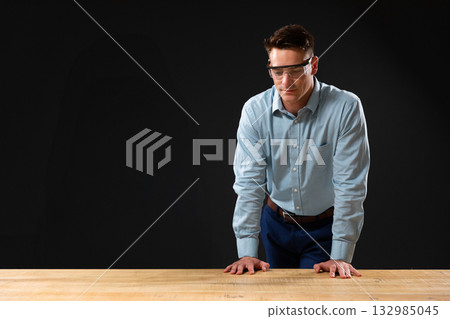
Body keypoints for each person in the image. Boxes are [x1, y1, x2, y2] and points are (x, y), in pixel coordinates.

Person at [223, 24, 369, 278]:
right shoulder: (254, 111)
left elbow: (350, 185)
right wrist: (246, 251)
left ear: (312, 65)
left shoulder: (346, 107)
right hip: (275, 225)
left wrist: (340, 255)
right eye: (277, 72)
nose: (285, 82)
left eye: (294, 71)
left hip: (324, 229)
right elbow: (249, 183)